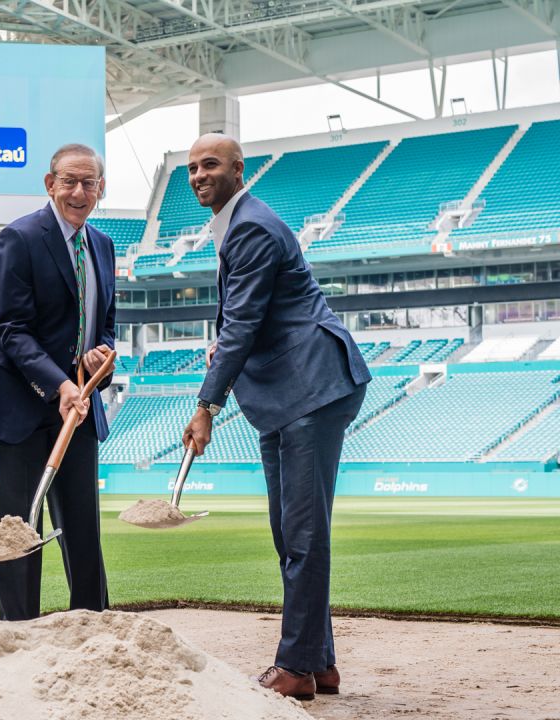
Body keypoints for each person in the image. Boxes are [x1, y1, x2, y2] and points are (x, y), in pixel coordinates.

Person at [180, 133, 371, 699]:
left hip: (311, 385)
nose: (197, 175)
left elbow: (241, 325)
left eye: (209, 165)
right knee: (292, 531)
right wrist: (225, 350)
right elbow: (247, 320)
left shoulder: (253, 227)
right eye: (191, 168)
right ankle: (320, 663)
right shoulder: (237, 225)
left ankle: (295, 666)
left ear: (239, 170)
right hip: (291, 390)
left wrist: (206, 405)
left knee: (303, 533)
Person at [0, 143, 117, 621]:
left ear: (101, 189)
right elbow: (9, 329)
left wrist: (101, 354)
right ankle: (19, 633)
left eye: (88, 182)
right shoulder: (20, 238)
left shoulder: (104, 246)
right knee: (20, 529)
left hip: (79, 404)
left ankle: (94, 628)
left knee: (83, 528)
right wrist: (59, 383)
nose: (78, 191)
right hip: (19, 407)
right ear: (50, 184)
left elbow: (104, 322)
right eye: (68, 180)